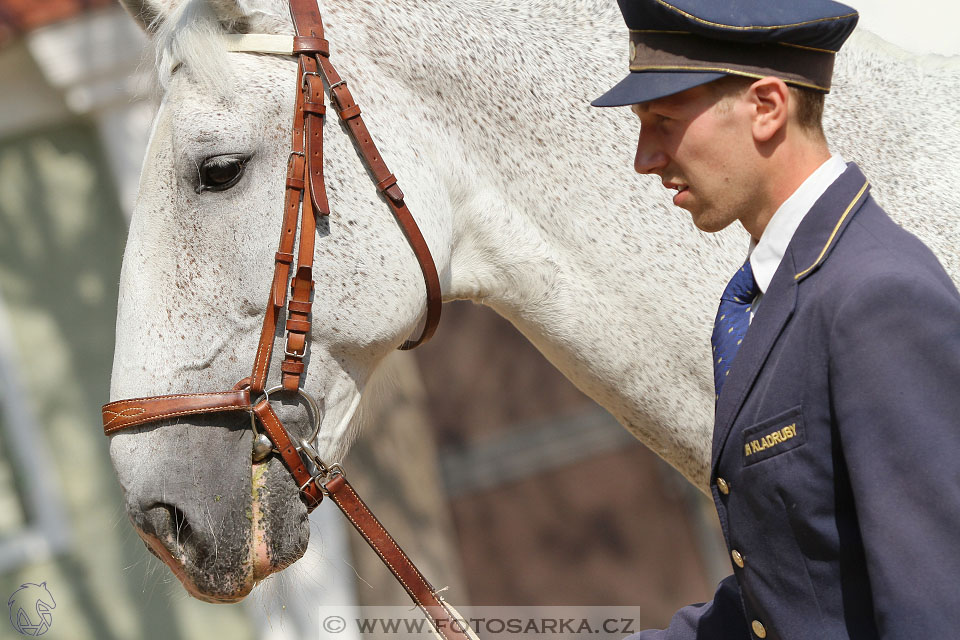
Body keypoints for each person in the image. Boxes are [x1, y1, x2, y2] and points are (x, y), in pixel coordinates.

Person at [593, 0, 960, 638]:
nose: (644, 159)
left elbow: (939, 603)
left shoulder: (876, 297)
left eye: (663, 120)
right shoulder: (783, 289)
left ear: (767, 108)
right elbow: (798, 591)